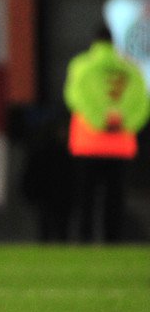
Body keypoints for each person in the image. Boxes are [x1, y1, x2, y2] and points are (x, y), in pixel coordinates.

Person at [63, 25, 150, 242]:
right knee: (114, 199)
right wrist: (124, 123)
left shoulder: (82, 65)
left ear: (95, 41)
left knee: (86, 198)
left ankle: (85, 240)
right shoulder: (132, 69)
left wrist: (99, 121)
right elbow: (143, 104)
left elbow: (75, 98)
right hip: (119, 145)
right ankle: (113, 242)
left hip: (88, 144)